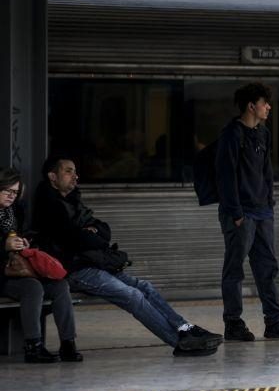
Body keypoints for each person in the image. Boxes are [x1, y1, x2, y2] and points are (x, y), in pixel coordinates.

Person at [32, 155, 222, 357]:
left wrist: (91, 234)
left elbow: (104, 231)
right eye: (68, 171)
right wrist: (90, 235)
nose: (75, 176)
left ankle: (185, 329)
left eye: (75, 171)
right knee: (133, 296)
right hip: (76, 269)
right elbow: (75, 238)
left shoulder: (73, 200)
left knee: (144, 287)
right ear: (52, 176)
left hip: (96, 263)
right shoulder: (49, 205)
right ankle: (179, 343)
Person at [215, 82, 279, 341]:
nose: (268, 107)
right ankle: (233, 323)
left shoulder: (263, 133)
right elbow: (225, 176)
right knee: (234, 269)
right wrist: (235, 213)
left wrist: (269, 203)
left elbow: (266, 171)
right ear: (251, 106)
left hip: (263, 211)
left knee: (267, 268)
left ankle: (274, 321)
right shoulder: (232, 134)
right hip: (241, 213)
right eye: (264, 103)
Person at [0, 167, 82, 363]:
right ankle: (33, 346)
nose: (12, 196)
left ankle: (68, 343)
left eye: (16, 192)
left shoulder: (14, 212)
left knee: (60, 285)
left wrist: (24, 243)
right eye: (8, 191)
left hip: (19, 269)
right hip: (4, 274)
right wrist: (4, 245)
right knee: (33, 287)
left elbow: (23, 235)